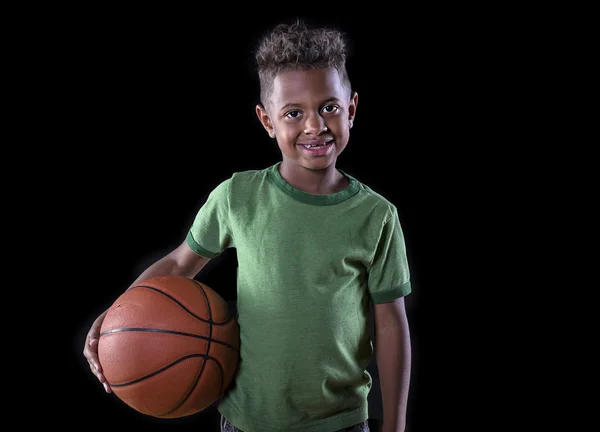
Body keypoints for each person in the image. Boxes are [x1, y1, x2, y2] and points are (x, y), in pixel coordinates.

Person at [83, 19, 412, 432]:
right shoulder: (237, 197)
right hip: (246, 420)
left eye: (329, 106)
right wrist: (114, 318)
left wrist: (395, 425)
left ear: (351, 109)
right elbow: (179, 265)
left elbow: (390, 323)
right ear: (267, 121)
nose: (315, 125)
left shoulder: (376, 215)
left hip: (340, 421)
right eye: (294, 113)